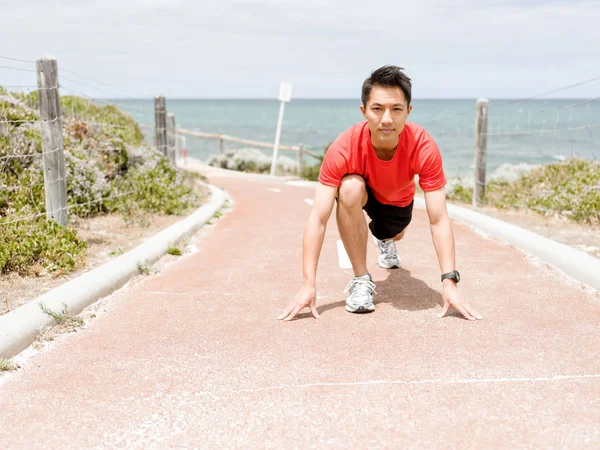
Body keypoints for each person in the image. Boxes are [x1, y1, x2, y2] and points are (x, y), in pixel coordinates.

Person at [277, 65, 482, 322]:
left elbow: (438, 218)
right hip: (361, 192)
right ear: (364, 111)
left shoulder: (423, 146)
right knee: (350, 187)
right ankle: (361, 279)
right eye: (377, 109)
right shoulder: (343, 147)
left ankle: (386, 242)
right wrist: (308, 284)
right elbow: (318, 218)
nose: (386, 118)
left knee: (392, 233)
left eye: (396, 109)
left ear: (408, 111)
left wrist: (450, 283)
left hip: (396, 202)